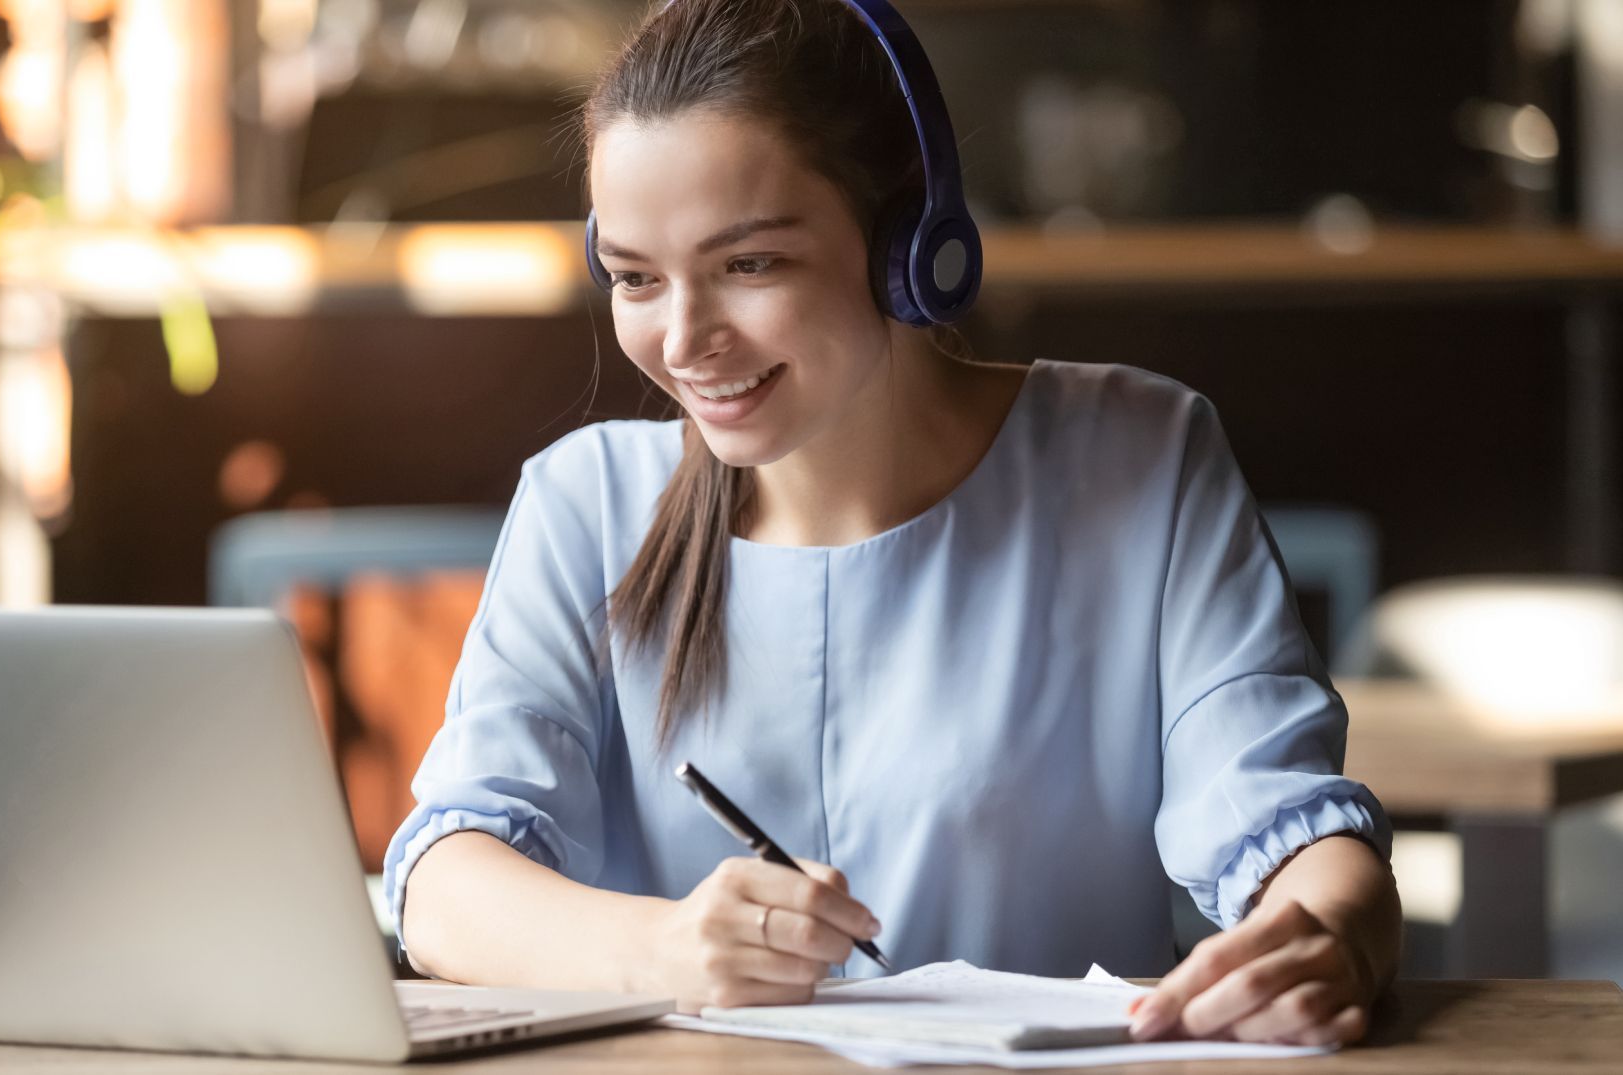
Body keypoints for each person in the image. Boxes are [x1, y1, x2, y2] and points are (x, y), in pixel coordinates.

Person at [383, 0, 1401, 1047]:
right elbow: (443, 884)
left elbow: (1283, 822)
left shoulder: (1140, 456)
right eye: (637, 277)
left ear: (909, 244)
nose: (684, 341)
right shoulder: (584, 501)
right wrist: (671, 949)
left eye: (749, 265)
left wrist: (1330, 934)